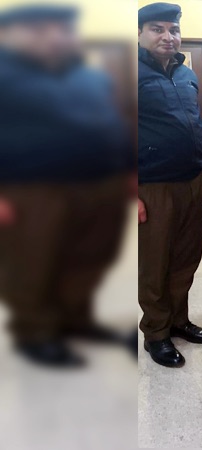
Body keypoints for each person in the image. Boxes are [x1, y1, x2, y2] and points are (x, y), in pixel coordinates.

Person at [0, 4, 134, 366]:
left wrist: (127, 170)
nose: (54, 36)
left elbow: (113, 123)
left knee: (90, 257)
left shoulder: (88, 76)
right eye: (40, 29)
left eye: (62, 29)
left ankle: (76, 321)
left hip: (101, 184)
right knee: (33, 262)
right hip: (33, 189)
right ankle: (35, 333)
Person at [137, 2, 202, 368]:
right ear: (140, 33)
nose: (167, 36)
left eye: (173, 29)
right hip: (152, 186)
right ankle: (156, 332)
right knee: (155, 263)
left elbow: (198, 124)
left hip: (192, 181)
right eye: (157, 29)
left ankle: (178, 320)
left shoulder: (187, 74)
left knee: (186, 257)